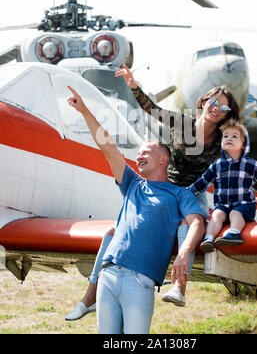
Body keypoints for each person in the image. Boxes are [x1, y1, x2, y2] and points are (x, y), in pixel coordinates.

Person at [65, 65, 257, 317]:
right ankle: (90, 297)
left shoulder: (223, 143)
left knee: (187, 226)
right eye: (213, 101)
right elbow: (151, 109)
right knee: (115, 230)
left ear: (227, 114)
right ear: (203, 101)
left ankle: (179, 287)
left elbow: (244, 174)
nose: (216, 108)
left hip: (191, 194)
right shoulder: (181, 123)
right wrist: (132, 84)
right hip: (163, 188)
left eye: (223, 107)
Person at [66, 85, 206, 334]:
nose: (138, 156)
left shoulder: (179, 194)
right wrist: (84, 110)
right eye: (137, 153)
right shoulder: (132, 183)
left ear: (164, 159)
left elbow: (196, 223)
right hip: (107, 275)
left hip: (140, 280)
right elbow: (107, 146)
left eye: (145, 152)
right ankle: (89, 299)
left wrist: (184, 252)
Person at [189, 119, 257, 252]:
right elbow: (203, 182)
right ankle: (208, 239)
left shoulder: (250, 164)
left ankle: (234, 233)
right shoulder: (217, 165)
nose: (229, 138)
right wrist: (187, 191)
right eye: (225, 136)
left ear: (243, 144)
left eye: (234, 136)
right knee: (216, 215)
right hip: (223, 205)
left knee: (235, 213)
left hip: (245, 205)